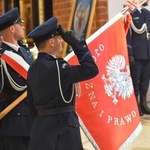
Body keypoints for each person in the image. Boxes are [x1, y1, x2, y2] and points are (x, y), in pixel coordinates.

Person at [26, 16, 99, 150]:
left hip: (40, 129)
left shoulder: (32, 69)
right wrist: (76, 43)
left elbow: (31, 103)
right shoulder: (59, 67)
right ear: (52, 42)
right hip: (64, 131)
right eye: (59, 38)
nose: (61, 41)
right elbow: (91, 69)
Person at [0, 7, 32, 150]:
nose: (23, 26)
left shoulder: (24, 51)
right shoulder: (2, 56)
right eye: (20, 24)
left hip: (32, 120)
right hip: (14, 124)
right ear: (12, 29)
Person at [126, 0, 150, 116]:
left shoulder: (146, 13)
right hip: (137, 52)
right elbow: (127, 36)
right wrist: (130, 53)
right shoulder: (128, 14)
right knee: (136, 81)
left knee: (145, 81)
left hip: (148, 51)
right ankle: (135, 106)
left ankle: (143, 104)